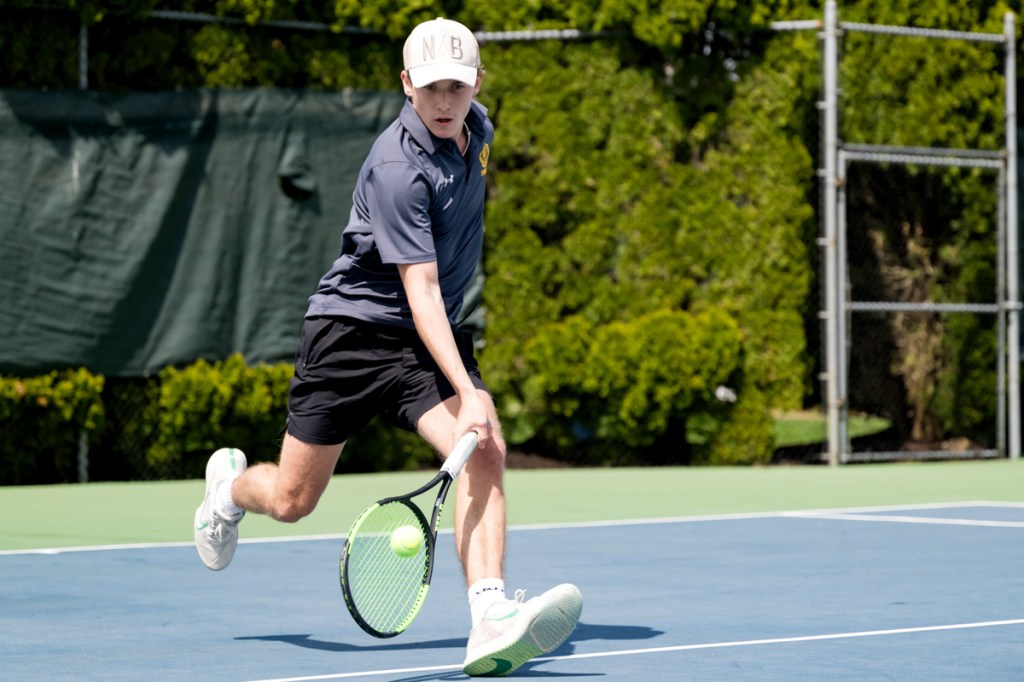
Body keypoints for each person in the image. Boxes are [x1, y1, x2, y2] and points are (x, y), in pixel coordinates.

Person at [192, 17, 582, 677]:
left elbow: (432, 302)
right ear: (406, 84)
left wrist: (470, 401)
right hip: (351, 335)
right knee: (291, 500)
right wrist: (467, 388)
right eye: (429, 88)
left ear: (477, 84)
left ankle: (489, 615)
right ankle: (227, 491)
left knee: (485, 446)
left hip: (423, 341)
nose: (443, 102)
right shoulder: (398, 169)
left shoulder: (479, 131)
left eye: (455, 86)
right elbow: (420, 290)